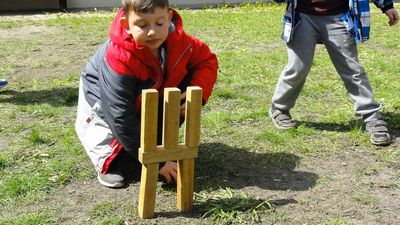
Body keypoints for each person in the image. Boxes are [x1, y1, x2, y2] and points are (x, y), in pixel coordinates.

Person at [75, 0, 218, 188]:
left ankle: (152, 147)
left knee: (146, 128)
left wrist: (197, 94)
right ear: (126, 25)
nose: (152, 32)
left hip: (148, 90)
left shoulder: (180, 42)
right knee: (108, 133)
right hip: (102, 96)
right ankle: (109, 164)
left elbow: (206, 61)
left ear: (169, 17)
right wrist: (156, 162)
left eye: (159, 23)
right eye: (142, 25)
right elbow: (120, 116)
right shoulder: (119, 57)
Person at [269, 0, 399, 146]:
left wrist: (386, 6)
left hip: (339, 17)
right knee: (297, 68)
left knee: (353, 70)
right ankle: (279, 108)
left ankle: (372, 117)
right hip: (302, 16)